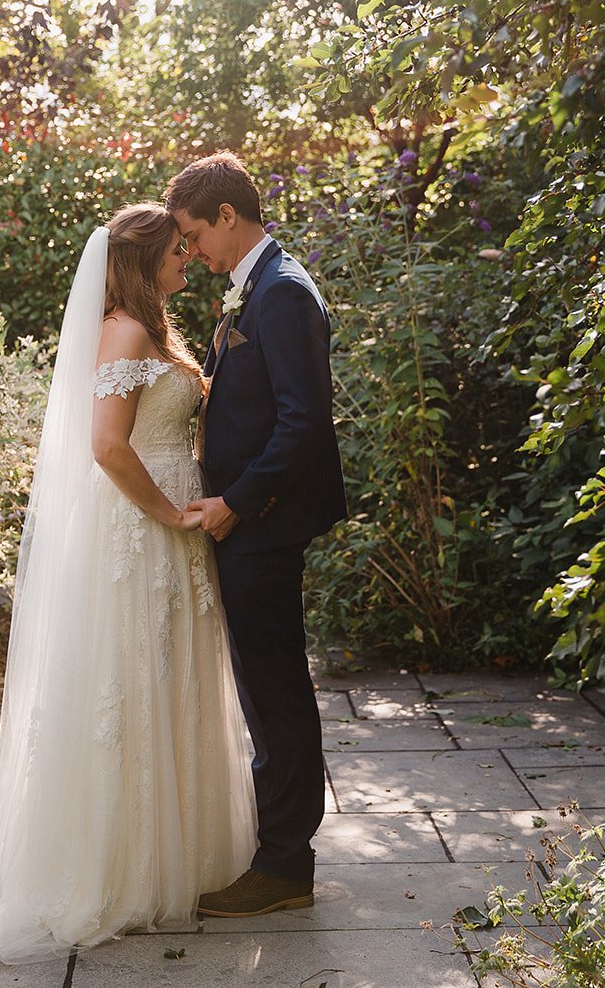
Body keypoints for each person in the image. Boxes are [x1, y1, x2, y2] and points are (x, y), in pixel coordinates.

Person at [0, 203, 257, 965]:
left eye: (189, 247)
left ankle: (172, 853)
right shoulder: (123, 330)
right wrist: (168, 513)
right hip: (142, 529)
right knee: (127, 687)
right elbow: (109, 447)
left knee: (165, 681)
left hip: (170, 532)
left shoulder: (155, 330)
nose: (188, 259)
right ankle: (114, 868)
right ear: (144, 261)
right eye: (178, 251)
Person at [166, 152, 347, 918]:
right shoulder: (258, 289)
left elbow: (305, 424)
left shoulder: (281, 294)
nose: (191, 250)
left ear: (228, 218)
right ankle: (278, 854)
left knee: (274, 691)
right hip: (250, 526)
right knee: (263, 685)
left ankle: (283, 866)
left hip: (264, 526)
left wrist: (237, 502)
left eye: (192, 233)